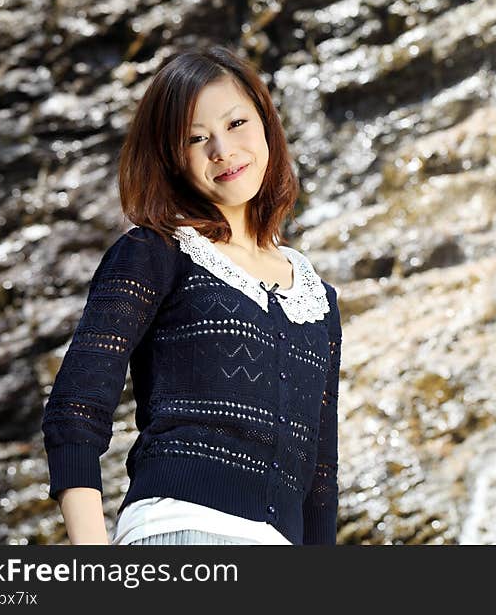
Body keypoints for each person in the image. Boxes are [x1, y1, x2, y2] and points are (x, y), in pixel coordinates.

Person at [41, 46, 342, 545]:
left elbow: (320, 480)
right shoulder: (155, 252)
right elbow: (75, 410)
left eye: (237, 123)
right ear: (171, 160)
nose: (222, 150)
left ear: (266, 123)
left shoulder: (318, 300)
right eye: (196, 138)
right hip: (181, 532)